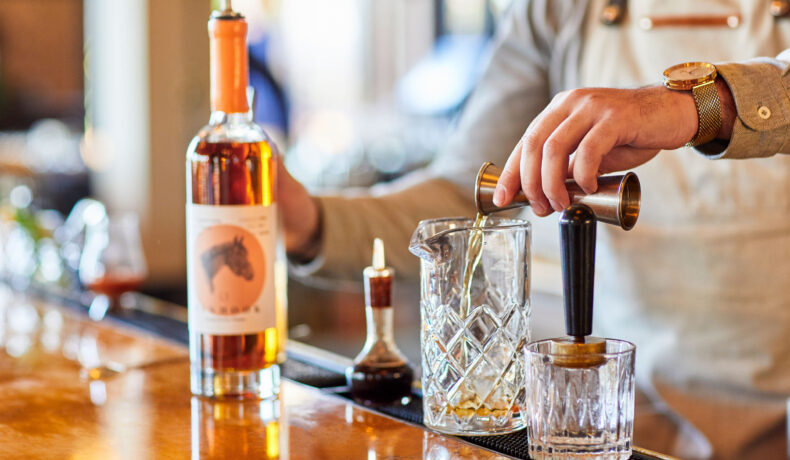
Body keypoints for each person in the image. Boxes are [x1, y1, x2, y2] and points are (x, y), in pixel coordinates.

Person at [279, 1, 790, 458]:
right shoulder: (558, 9)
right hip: (624, 426)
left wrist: (696, 106)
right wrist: (307, 221)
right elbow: (476, 193)